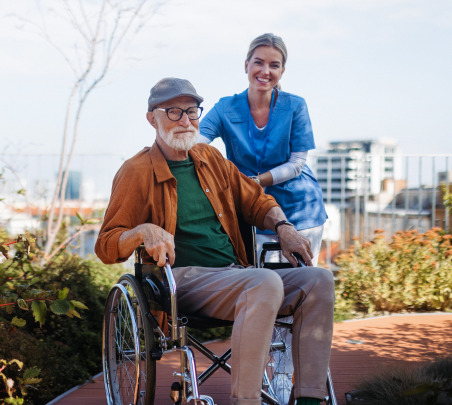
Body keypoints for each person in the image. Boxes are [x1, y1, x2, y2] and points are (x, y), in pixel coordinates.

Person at [95, 77, 334, 405]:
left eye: (192, 111)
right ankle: (246, 401)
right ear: (153, 118)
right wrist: (143, 231)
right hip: (182, 281)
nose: (185, 121)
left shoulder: (210, 158)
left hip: (235, 274)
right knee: (263, 282)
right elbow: (106, 244)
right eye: (174, 112)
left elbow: (256, 201)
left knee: (318, 280)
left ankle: (310, 399)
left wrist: (284, 227)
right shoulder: (136, 172)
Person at [199, 33, 327, 266]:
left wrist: (254, 182)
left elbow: (297, 163)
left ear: (282, 71)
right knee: (260, 285)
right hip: (249, 210)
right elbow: (195, 144)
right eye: (258, 62)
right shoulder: (225, 107)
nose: (265, 71)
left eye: (274, 65)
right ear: (246, 65)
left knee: (301, 285)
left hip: (299, 209)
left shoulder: (295, 106)